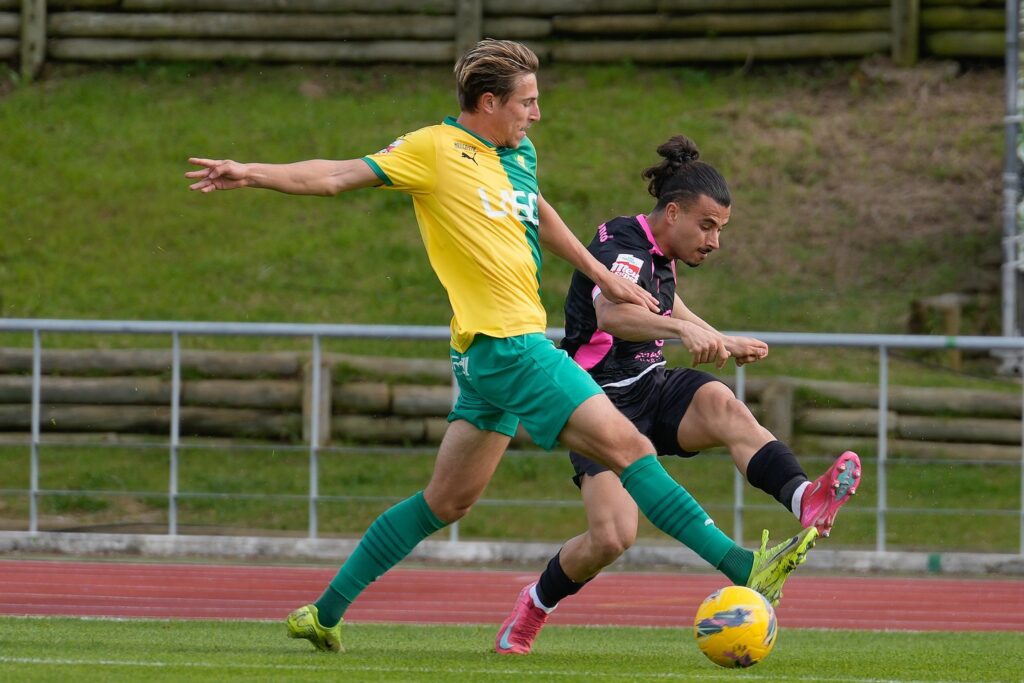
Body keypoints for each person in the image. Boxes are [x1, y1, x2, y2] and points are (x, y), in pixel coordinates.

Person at [185, 40, 817, 655]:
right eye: (527, 102)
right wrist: (251, 172)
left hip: (486, 359)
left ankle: (322, 615)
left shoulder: (520, 155)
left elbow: (539, 214)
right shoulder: (432, 149)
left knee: (446, 500)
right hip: (508, 348)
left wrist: (600, 275)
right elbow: (336, 175)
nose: (536, 114)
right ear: (488, 102)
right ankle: (744, 565)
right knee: (631, 446)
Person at [494, 135, 862, 655]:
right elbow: (613, 314)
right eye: (707, 226)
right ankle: (534, 605)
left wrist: (718, 335)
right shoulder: (622, 241)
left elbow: (670, 305)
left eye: (721, 230)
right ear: (672, 212)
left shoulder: (661, 255)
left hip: (652, 386)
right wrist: (683, 335)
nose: (714, 241)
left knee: (724, 407)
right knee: (612, 538)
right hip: (597, 402)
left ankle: (806, 497)